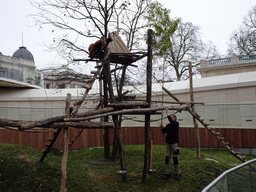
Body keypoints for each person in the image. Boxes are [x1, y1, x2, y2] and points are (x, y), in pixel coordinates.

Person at [160, 108, 181, 180]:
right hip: (168, 143)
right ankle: (167, 173)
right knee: (167, 158)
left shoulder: (176, 124)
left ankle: (178, 173)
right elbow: (163, 132)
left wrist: (167, 113)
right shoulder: (168, 125)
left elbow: (172, 122)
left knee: (175, 158)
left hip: (175, 143)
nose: (170, 118)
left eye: (171, 117)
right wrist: (162, 127)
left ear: (174, 118)